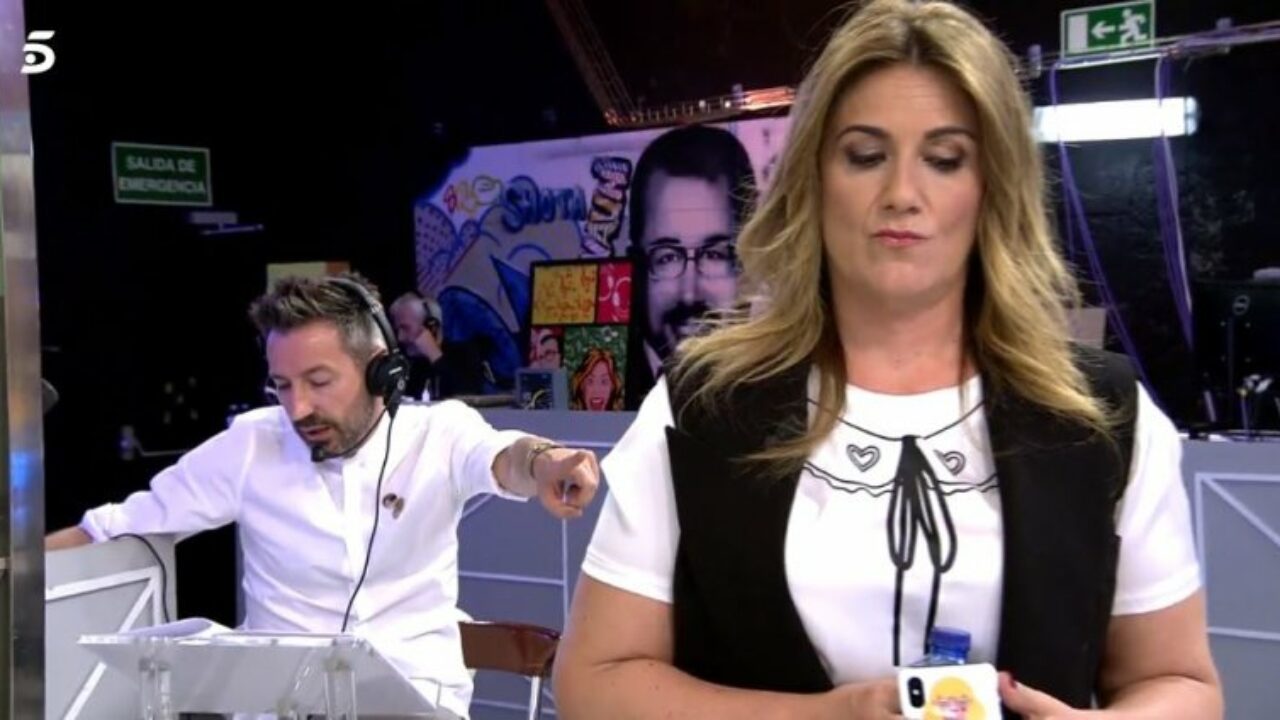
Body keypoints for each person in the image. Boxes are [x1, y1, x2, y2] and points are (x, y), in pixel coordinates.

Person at [554, 1, 1221, 719]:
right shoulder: (701, 407)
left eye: (945, 159)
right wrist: (828, 717)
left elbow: (1182, 685)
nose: (902, 194)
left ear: (992, 187)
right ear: (814, 178)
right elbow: (594, 683)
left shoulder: (1102, 417)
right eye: (865, 156)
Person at [46, 273, 600, 719]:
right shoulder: (251, 444)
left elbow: (506, 458)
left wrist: (546, 462)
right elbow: (113, 528)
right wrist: (20, 568)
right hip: (278, 707)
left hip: (415, 701)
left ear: (381, 370)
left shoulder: (440, 433)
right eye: (282, 385)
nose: (298, 408)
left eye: (318, 381)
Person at [624, 124, 758, 407]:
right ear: (636, 268)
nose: (689, 293)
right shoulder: (602, 385)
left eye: (715, 255)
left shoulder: (787, 393)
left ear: (750, 261)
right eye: (667, 257)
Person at [388, 290, 488, 401]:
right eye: (398, 330)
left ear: (431, 327)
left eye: (406, 328)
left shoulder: (465, 354)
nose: (400, 337)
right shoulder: (410, 365)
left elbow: (468, 396)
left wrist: (435, 355)